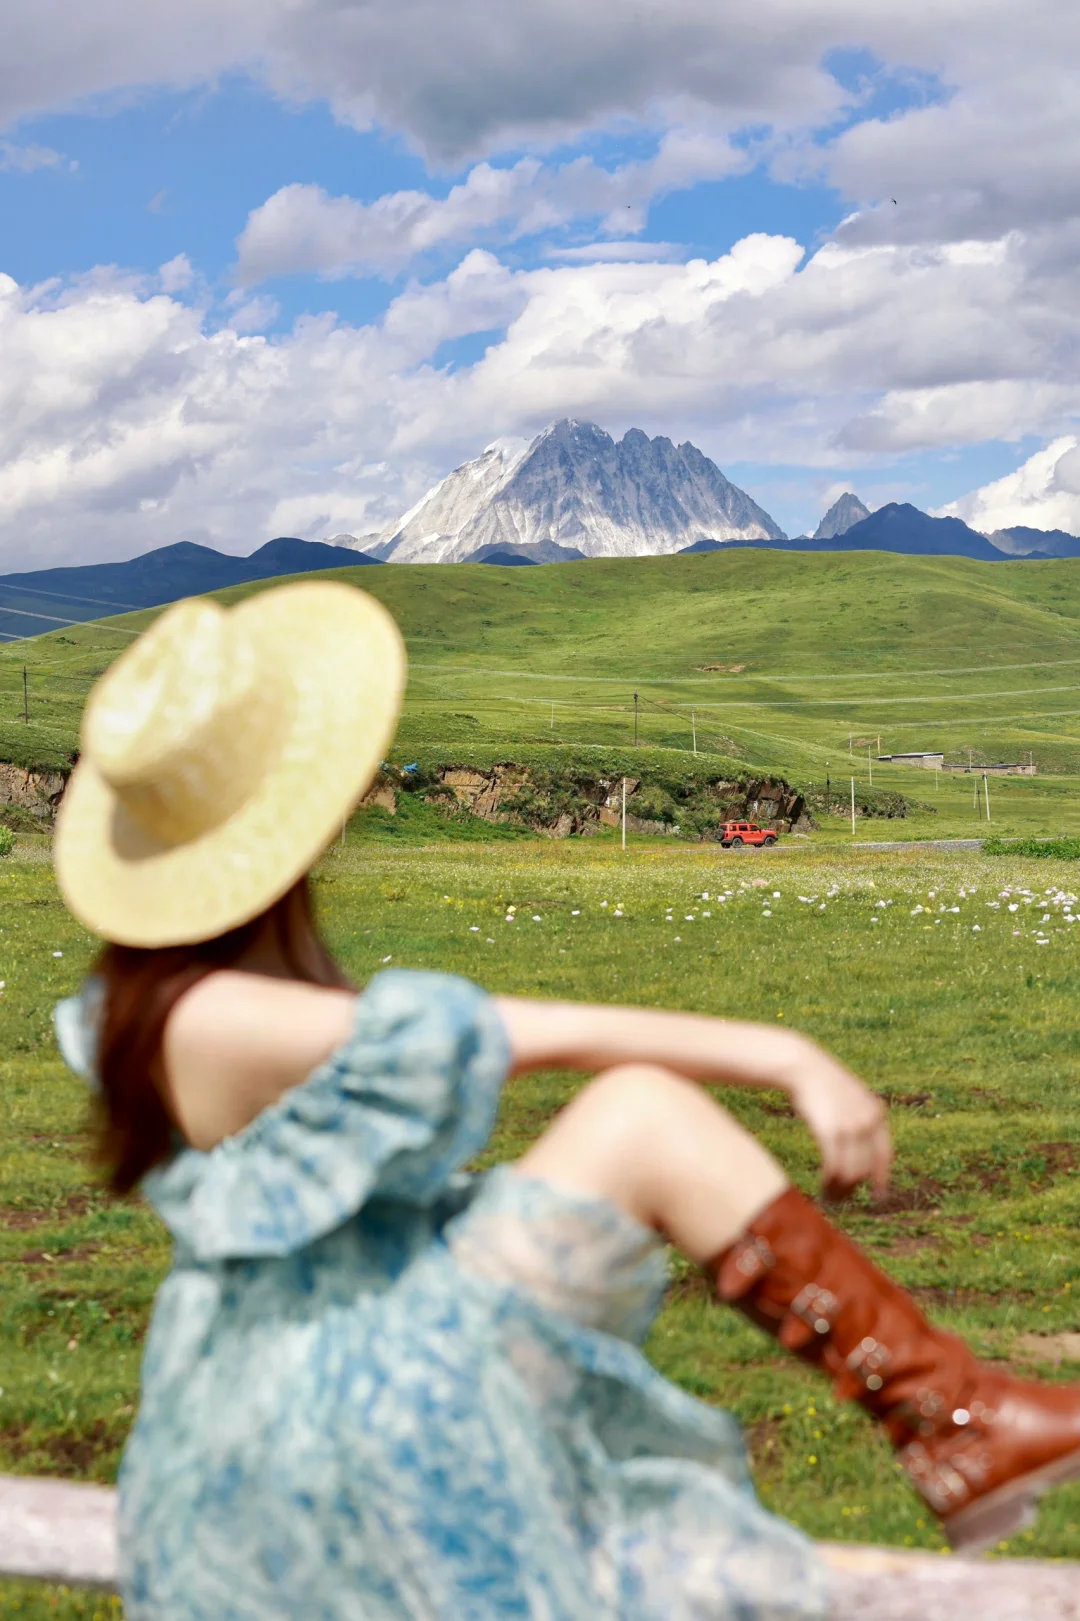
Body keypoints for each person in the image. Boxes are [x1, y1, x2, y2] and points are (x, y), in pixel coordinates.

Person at [52, 582, 1080, 1621]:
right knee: (642, 1114)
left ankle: (950, 1417)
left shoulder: (174, 992)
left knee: (637, 1115)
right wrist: (785, 1053)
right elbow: (506, 1032)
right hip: (326, 1398)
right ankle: (950, 1420)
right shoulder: (205, 1013)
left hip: (288, 1366)